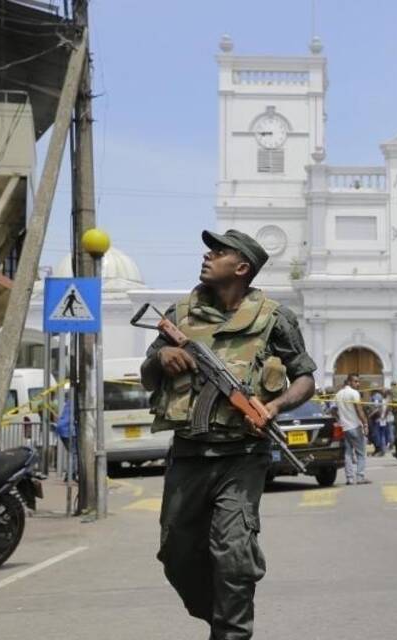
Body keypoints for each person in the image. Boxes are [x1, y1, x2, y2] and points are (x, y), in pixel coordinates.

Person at [141, 229, 316, 640]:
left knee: (233, 553)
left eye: (218, 252)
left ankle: (232, 631)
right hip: (188, 455)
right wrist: (162, 356)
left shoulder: (274, 317)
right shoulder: (180, 314)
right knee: (176, 555)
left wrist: (272, 407)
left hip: (243, 455)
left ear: (241, 268)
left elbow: (305, 377)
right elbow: (148, 375)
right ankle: (222, 616)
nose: (207, 256)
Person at [335, 373, 371, 484]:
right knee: (361, 453)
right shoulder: (354, 393)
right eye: (355, 381)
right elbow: (359, 410)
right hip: (354, 427)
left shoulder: (338, 394)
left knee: (348, 453)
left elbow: (334, 411)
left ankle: (349, 478)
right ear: (349, 382)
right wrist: (365, 424)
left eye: (358, 381)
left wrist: (341, 420)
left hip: (344, 428)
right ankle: (360, 477)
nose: (358, 384)